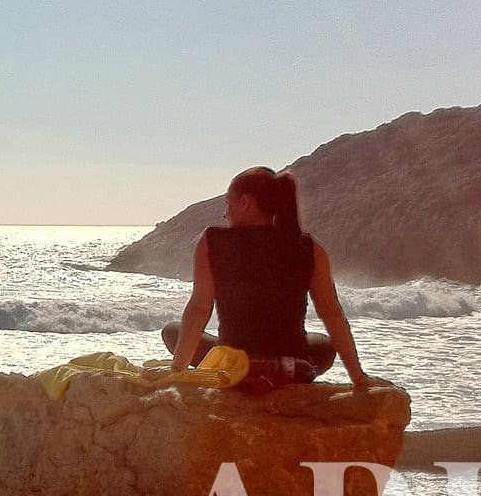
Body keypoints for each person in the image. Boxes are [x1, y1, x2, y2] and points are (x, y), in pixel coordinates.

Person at [162, 167, 383, 390]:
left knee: (172, 331)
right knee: (325, 347)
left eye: (228, 203)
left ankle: (249, 369)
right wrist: (358, 377)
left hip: (232, 363)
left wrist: (177, 370)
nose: (225, 213)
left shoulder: (212, 242)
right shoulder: (307, 247)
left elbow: (200, 307)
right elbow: (332, 313)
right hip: (291, 365)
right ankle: (273, 369)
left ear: (245, 203)